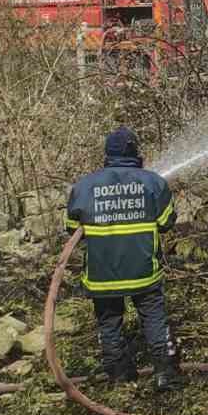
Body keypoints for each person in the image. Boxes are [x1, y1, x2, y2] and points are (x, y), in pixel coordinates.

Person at [65, 127, 184, 392]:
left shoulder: (83, 186)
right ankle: (165, 374)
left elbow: (71, 228)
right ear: (135, 152)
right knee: (153, 318)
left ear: (107, 154)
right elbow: (166, 222)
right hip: (143, 271)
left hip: (101, 274)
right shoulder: (153, 182)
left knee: (109, 323)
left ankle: (119, 376)